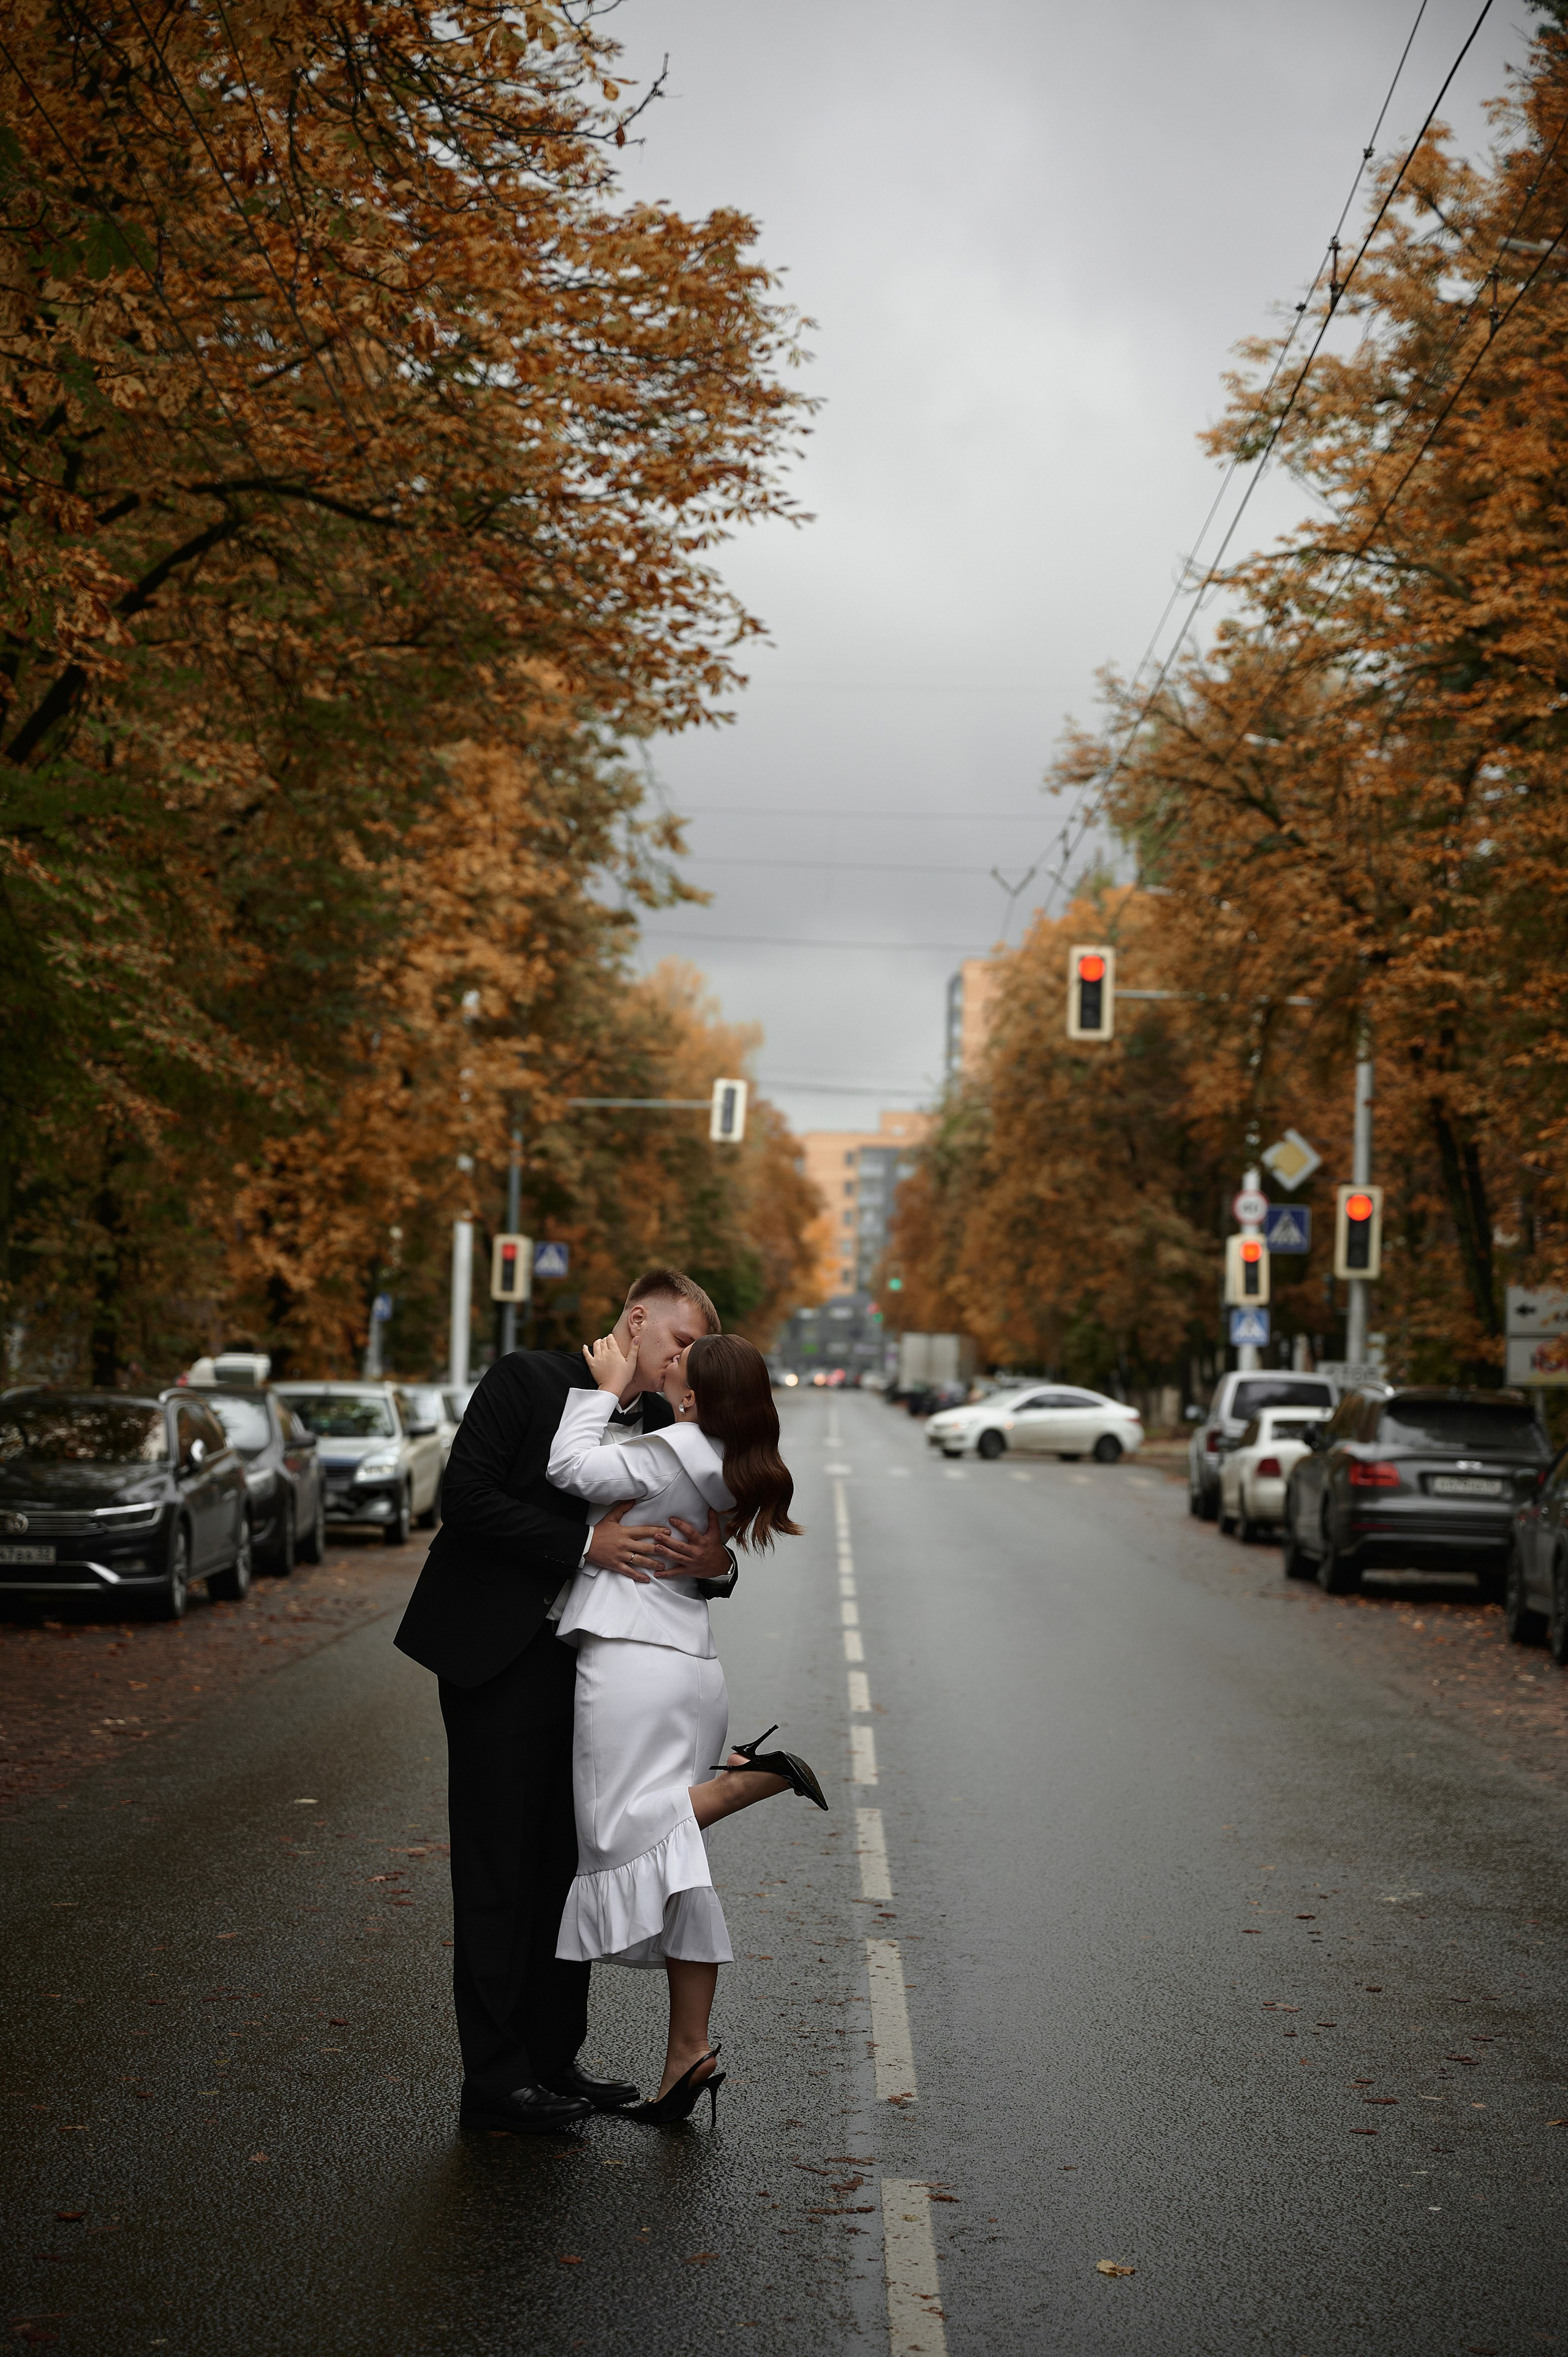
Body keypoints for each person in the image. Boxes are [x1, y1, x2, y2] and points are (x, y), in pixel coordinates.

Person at [394, 1268, 737, 2136]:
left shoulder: (666, 1420)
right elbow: (465, 1499)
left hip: (598, 1672)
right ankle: (496, 2080)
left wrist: (716, 1567)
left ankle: (553, 2058)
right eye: (681, 1343)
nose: (684, 1363)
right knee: (498, 1868)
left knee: (567, 1858)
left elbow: (701, 1531)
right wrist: (586, 1544)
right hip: (497, 1656)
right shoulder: (528, 1379)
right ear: (635, 1322)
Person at [545, 1326, 824, 2126]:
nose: (666, 1361)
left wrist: (599, 1393)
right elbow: (710, 1560)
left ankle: (750, 1781)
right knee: (680, 1869)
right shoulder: (730, 1469)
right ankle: (687, 2053)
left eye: (678, 1362)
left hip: (634, 1664)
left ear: (694, 1397)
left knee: (616, 1829)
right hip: (690, 1670)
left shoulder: (672, 1450)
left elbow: (566, 1468)